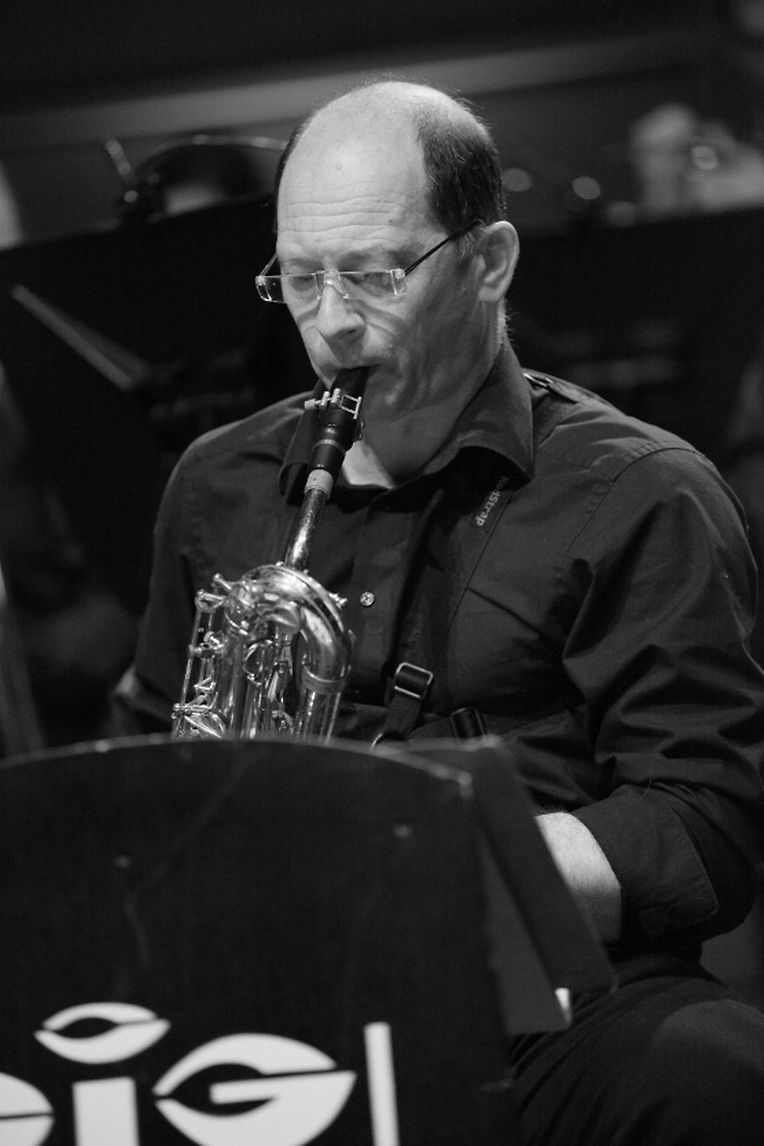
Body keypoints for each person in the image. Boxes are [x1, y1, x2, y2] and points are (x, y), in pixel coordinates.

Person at [113, 81, 764, 1143]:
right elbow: (143, 760)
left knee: (713, 1073)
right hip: (266, 1003)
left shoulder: (640, 490)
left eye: (374, 276)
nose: (332, 324)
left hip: (539, 1014)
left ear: (488, 261)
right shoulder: (217, 482)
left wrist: (432, 868)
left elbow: (703, 823)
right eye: (300, 278)